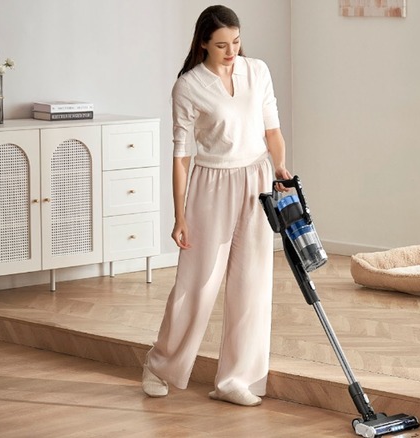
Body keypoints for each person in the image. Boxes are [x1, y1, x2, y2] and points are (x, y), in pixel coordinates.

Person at [142, 5, 291, 407]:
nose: (231, 51)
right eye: (222, 45)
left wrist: (279, 166)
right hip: (211, 184)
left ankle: (234, 380)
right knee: (198, 283)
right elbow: (181, 156)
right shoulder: (188, 86)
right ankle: (160, 365)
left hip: (258, 179)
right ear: (204, 43)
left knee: (252, 282)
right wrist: (179, 215)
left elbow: (272, 129)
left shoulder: (256, 71)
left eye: (236, 42)